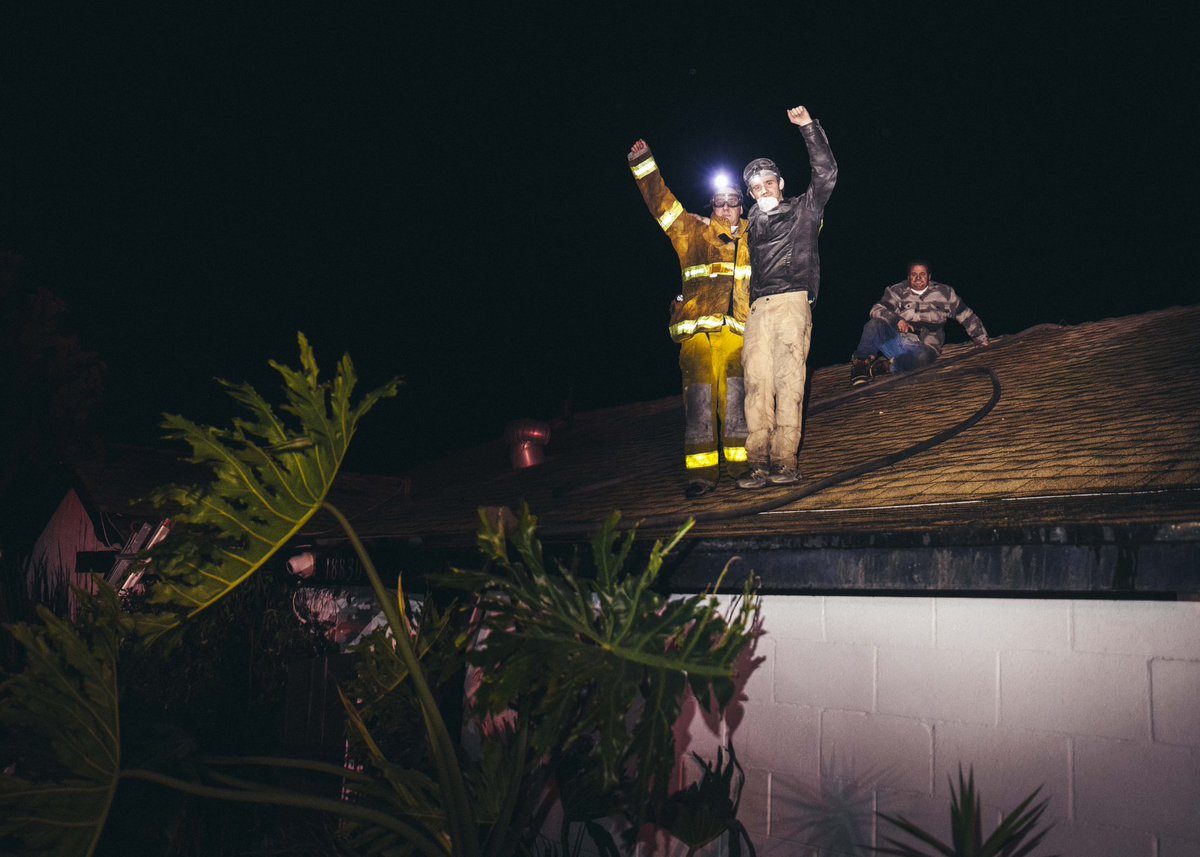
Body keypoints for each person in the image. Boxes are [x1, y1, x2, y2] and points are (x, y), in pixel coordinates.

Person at [628, 139, 751, 499]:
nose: (725, 207)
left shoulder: (755, 236)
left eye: (732, 202)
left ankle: (741, 467)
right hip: (697, 335)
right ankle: (702, 474)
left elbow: (792, 235)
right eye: (719, 202)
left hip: (737, 334)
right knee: (698, 403)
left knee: (737, 402)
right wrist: (643, 163)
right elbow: (661, 204)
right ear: (711, 205)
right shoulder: (692, 231)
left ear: (741, 206)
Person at [737, 105, 837, 489]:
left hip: (792, 303)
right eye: (756, 187)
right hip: (758, 310)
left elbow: (826, 173)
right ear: (751, 194)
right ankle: (757, 465)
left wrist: (809, 127)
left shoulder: (803, 210)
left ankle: (785, 462)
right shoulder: (749, 227)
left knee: (789, 382)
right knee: (756, 386)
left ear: (780, 183)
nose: (763, 189)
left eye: (768, 182)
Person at [849, 261, 990, 386]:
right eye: (914, 274)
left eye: (922, 274)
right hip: (896, 339)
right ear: (908, 277)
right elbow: (876, 309)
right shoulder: (895, 291)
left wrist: (981, 338)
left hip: (923, 347)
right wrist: (897, 320)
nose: (918, 278)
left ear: (929, 276)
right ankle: (860, 364)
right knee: (874, 324)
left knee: (924, 357)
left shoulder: (945, 293)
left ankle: (886, 367)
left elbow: (966, 315)